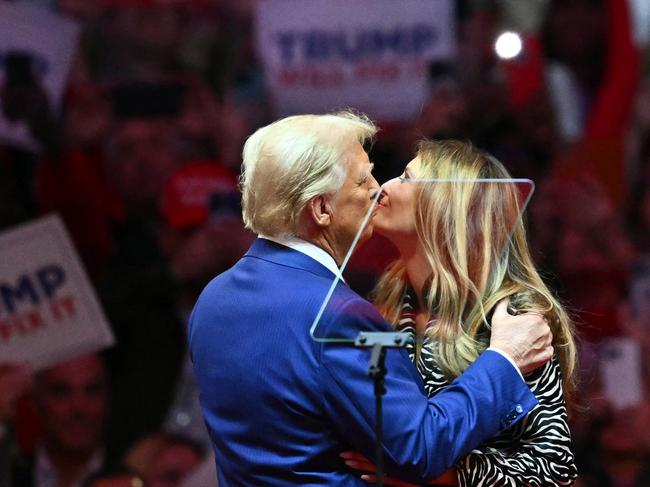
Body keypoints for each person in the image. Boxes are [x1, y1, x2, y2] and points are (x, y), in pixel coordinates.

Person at [188, 111, 554, 485]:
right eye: (363, 180)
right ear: (321, 209)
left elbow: (551, 466)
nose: (378, 188)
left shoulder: (213, 298)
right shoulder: (338, 315)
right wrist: (505, 360)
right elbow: (418, 450)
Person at [366, 139, 578, 486]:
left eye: (406, 177)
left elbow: (554, 470)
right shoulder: (389, 301)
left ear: (445, 207)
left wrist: (443, 474)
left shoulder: (513, 316)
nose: (384, 186)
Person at [12, 354, 109, 487]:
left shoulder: (134, 476)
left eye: (92, 391)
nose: (78, 406)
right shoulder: (9, 475)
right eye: (61, 392)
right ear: (34, 402)